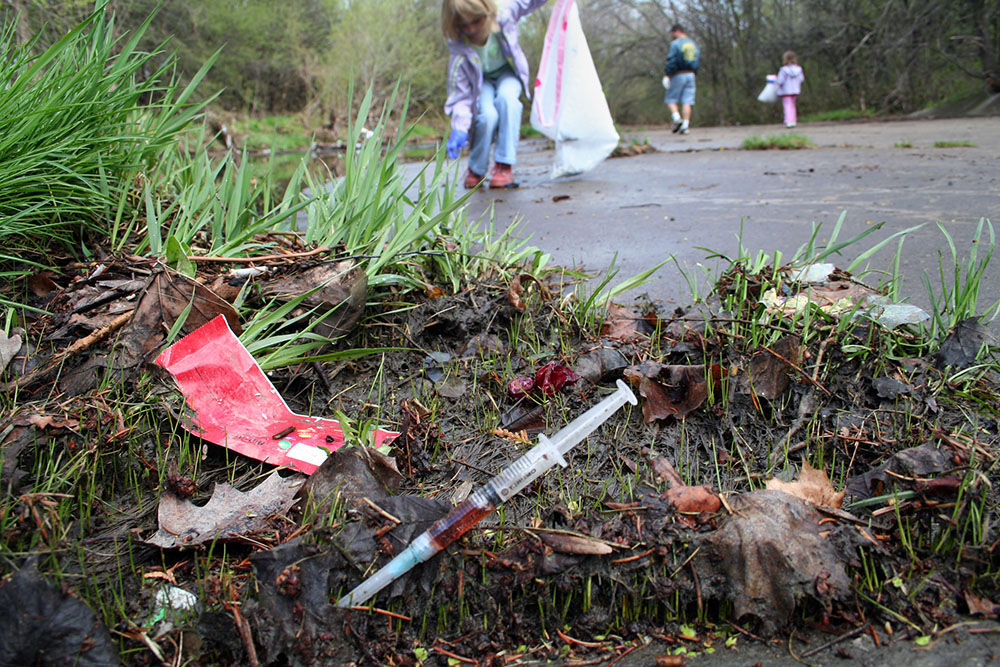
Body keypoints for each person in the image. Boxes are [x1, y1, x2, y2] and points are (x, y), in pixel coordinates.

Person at [443, 0, 548, 189]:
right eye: (464, 25)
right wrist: (459, 128)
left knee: (508, 101)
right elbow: (461, 96)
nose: (472, 29)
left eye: (476, 21)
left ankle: (504, 165)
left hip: (508, 73)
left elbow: (526, 2)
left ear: (487, 12)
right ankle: (476, 169)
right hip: (480, 83)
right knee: (487, 115)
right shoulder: (459, 49)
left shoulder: (504, 15)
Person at [663, 24, 700, 135]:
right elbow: (697, 59)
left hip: (678, 74)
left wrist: (667, 74)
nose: (673, 36)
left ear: (678, 31)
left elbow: (672, 59)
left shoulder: (675, 44)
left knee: (670, 99)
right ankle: (685, 125)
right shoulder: (693, 44)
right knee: (687, 100)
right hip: (691, 74)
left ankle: (677, 119)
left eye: (673, 33)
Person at [776, 51, 804, 128]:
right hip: (795, 90)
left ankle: (789, 121)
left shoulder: (783, 70)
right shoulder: (799, 69)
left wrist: (776, 82)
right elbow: (801, 79)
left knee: (787, 106)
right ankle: (793, 121)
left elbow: (780, 80)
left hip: (786, 91)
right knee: (793, 105)